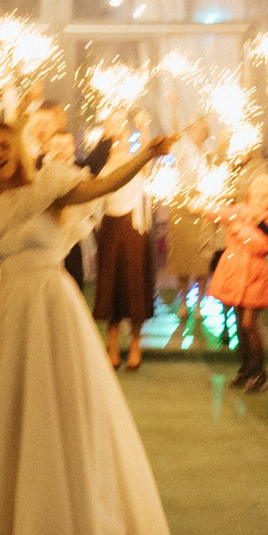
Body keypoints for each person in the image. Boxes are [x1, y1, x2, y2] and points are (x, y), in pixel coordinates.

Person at [0, 119, 178, 535]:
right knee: (12, 415)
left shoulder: (50, 189)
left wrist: (146, 154)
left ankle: (77, 531)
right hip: (10, 312)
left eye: (3, 145)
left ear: (19, 149)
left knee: (66, 411)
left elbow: (103, 184)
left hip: (54, 306)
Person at [206, 172, 268, 392]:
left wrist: (242, 232)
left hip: (254, 276)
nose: (258, 199)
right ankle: (246, 369)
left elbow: (262, 245)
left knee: (249, 324)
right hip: (235, 273)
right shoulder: (242, 211)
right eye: (256, 194)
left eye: (264, 196)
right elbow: (220, 213)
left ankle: (259, 373)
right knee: (240, 325)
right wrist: (200, 203)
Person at [91, 110, 156, 369]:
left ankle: (136, 343)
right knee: (110, 284)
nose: (119, 134)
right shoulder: (100, 162)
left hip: (133, 227)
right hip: (109, 227)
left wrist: (145, 126)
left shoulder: (136, 160)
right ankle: (112, 342)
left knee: (134, 283)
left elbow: (150, 154)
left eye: (123, 129)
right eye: (113, 128)